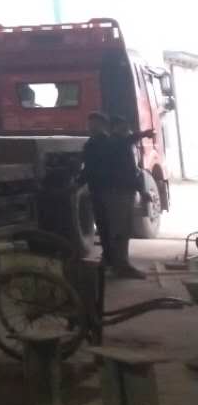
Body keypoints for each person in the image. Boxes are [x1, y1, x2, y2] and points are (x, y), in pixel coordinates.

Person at [81, 111, 145, 279]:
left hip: (111, 191)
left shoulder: (107, 142)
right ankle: (120, 265)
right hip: (115, 193)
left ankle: (113, 261)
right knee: (118, 230)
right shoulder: (110, 142)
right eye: (90, 124)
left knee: (114, 229)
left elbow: (132, 169)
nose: (91, 127)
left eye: (94, 123)